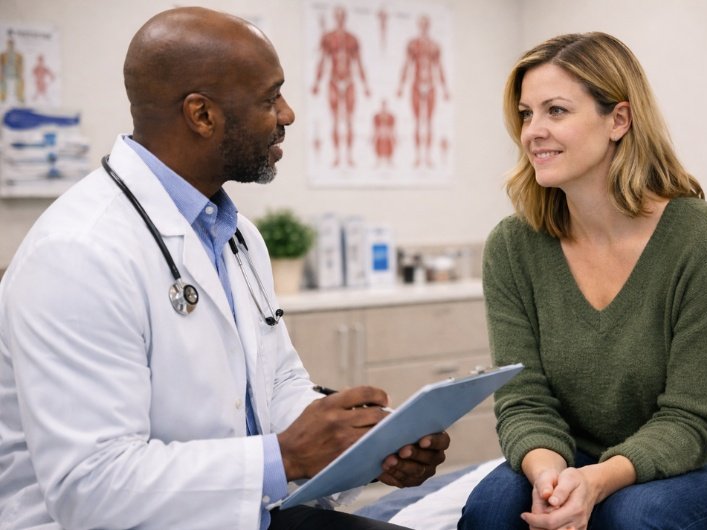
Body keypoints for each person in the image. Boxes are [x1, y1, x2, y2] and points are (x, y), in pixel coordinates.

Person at [0, 8, 449, 530]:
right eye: (269, 99)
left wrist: (364, 444)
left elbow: (276, 384)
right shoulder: (77, 253)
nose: (288, 114)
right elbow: (92, 487)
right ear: (202, 115)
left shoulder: (234, 235)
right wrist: (285, 457)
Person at [458, 32, 707, 530]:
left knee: (630, 517)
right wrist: (550, 478)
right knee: (491, 511)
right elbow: (525, 400)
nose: (532, 131)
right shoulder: (512, 245)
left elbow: (693, 420)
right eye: (526, 113)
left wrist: (597, 483)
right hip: (577, 456)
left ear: (619, 119)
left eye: (556, 111)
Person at [311, 5, 370, 168]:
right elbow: (322, 61)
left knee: (349, 120)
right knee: (336, 120)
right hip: (334, 81)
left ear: (344, 17)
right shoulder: (328, 38)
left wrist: (365, 85)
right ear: (335, 17)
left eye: (342, 15)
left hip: (349, 81)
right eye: (337, 16)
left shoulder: (352, 39)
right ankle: (337, 156)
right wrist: (317, 82)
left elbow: (359, 63)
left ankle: (349, 156)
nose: (339, 18)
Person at [396, 14, 449, 168]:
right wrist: (401, 86)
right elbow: (407, 65)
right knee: (418, 122)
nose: (424, 26)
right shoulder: (413, 45)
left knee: (429, 122)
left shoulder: (434, 46)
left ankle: (427, 156)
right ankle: (418, 156)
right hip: (416, 85)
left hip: (431, 85)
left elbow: (439, 67)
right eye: (422, 24)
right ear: (420, 26)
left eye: (426, 24)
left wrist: (445, 89)